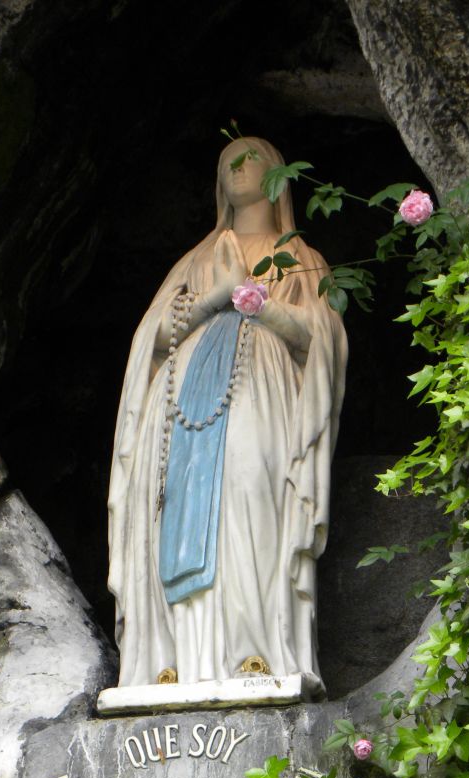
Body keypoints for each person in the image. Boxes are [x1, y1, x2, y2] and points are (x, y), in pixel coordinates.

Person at [107, 137, 347, 695]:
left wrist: (258, 301)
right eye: (227, 161)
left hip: (259, 390)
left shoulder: (302, 258)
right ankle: (172, 661)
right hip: (179, 397)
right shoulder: (195, 260)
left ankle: (256, 651)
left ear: (277, 176)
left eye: (250, 157)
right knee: (171, 505)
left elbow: (323, 338)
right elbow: (150, 338)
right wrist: (214, 296)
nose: (237, 167)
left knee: (251, 493)